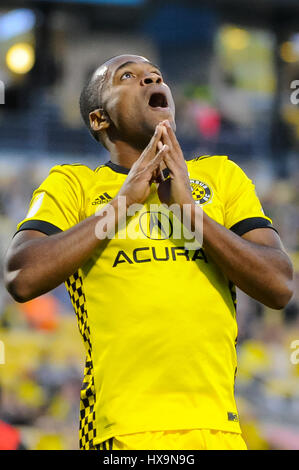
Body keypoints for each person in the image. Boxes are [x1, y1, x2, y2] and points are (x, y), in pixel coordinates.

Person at [3, 54, 293, 450]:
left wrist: (190, 214)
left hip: (219, 431)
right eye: (129, 76)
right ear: (99, 119)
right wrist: (122, 205)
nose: (151, 78)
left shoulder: (222, 177)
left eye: (156, 75)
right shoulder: (73, 185)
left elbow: (279, 285)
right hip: (122, 431)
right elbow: (22, 276)